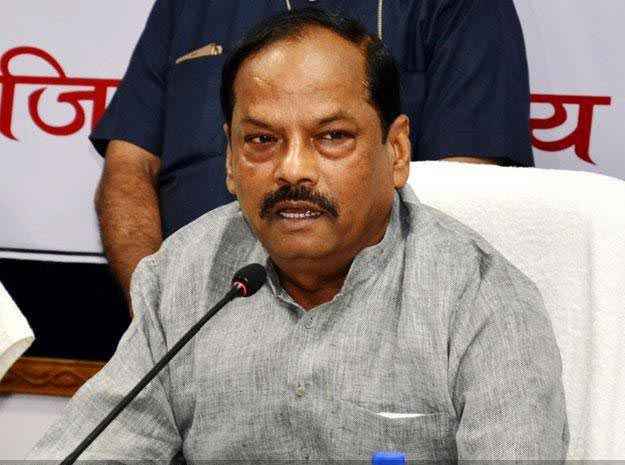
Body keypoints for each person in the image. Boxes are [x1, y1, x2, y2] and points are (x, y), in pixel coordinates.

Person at [30, 11, 566, 461]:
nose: (292, 170)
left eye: (332, 137)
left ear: (397, 151)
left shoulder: (484, 302)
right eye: (262, 140)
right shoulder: (183, 278)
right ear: (231, 160)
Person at [91, 0, 534, 297]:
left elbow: (464, 191)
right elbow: (127, 169)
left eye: (333, 135)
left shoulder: (465, 8)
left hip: (370, 338)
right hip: (192, 325)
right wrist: (156, 309)